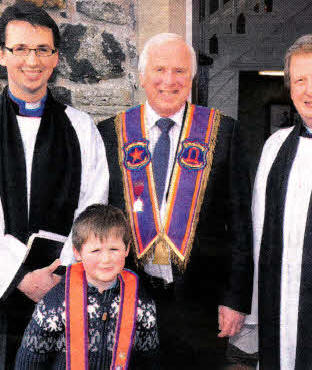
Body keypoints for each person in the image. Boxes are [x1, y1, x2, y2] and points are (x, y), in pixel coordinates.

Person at [98, 33, 253, 368]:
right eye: (160, 70)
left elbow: (242, 222)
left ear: (192, 78)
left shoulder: (223, 133)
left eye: (180, 71)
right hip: (129, 296)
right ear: (142, 76)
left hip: (202, 302)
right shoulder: (110, 134)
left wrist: (236, 299)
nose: (169, 81)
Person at [0, 1, 108, 367]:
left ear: (56, 57)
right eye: (21, 49)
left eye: (43, 49)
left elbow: (92, 210)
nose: (33, 61)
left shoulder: (80, 128)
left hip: (62, 290)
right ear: (2, 55)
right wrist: (17, 277)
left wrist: (60, 273)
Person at [248, 32, 312, 369]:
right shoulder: (275, 147)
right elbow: (260, 233)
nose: (309, 90)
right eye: (299, 80)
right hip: (283, 303)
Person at [15, 204, 159, 369]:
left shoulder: (141, 304)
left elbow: (149, 360)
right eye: (96, 250)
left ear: (126, 249)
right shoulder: (55, 304)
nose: (106, 259)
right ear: (77, 252)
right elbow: (29, 361)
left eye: (114, 249)